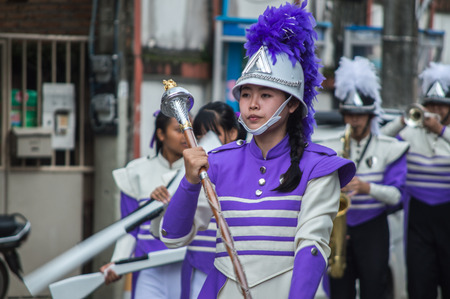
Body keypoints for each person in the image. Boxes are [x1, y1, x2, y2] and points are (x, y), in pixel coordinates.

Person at [159, 3, 356, 298]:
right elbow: (172, 237)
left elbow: (311, 248)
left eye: (265, 95)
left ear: (291, 104)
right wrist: (188, 182)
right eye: (246, 94)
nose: (252, 104)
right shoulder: (218, 163)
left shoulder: (318, 166)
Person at [318, 56, 409, 299]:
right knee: (340, 292)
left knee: (373, 290)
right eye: (349, 114)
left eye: (360, 115)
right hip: (339, 230)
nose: (354, 120)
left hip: (373, 228)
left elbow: (397, 196)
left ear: (371, 116)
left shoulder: (389, 147)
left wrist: (368, 187)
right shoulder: (328, 145)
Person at [152, 101, 246, 299]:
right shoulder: (186, 177)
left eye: (213, 134)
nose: (205, 143)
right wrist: (161, 206)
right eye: (200, 136)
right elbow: (162, 232)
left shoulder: (249, 171)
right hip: (198, 270)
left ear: (233, 133)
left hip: (244, 272)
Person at [381, 62, 450, 299]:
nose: (434, 111)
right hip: (418, 217)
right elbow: (381, 139)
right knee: (420, 283)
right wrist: (404, 119)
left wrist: (440, 130)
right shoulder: (410, 132)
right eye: (430, 105)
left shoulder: (446, 134)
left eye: (440, 106)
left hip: (447, 214)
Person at [100, 111, 187, 299]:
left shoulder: (198, 173)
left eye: (189, 129)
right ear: (161, 134)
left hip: (185, 266)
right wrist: (118, 262)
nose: (185, 135)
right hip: (147, 269)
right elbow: (130, 227)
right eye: (178, 130)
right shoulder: (137, 171)